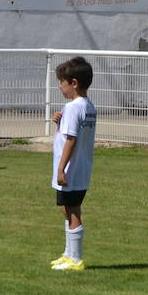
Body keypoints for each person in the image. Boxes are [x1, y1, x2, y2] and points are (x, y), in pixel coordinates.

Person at [49, 56, 98, 272]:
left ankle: (76, 259)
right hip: (82, 168)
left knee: (73, 211)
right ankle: (68, 254)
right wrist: (60, 121)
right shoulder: (88, 106)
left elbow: (71, 139)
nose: (60, 86)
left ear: (74, 83)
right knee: (68, 209)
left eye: (62, 82)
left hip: (70, 169)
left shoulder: (72, 108)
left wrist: (61, 168)